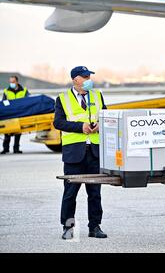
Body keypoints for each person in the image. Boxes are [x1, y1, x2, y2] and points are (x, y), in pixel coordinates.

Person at [53, 66, 107, 240]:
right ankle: (68, 227)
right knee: (70, 193)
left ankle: (95, 227)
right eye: (85, 76)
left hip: (94, 151)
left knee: (95, 193)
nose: (89, 79)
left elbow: (106, 116)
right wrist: (80, 127)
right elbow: (58, 123)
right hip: (74, 153)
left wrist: (101, 124)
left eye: (89, 75)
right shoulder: (62, 99)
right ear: (75, 79)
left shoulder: (97, 96)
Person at [1, 75, 30, 154]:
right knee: (7, 132)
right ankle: (5, 148)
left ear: (17, 82)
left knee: (18, 132)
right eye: (10, 82)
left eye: (13, 82)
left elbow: (28, 101)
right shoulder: (6, 91)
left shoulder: (24, 90)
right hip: (9, 113)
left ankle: (16, 149)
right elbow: (4, 102)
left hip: (20, 113)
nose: (11, 83)